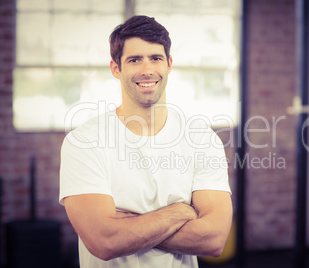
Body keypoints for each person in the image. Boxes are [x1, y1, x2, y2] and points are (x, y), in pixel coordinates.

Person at [59, 15, 233, 268]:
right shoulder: (83, 142)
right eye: (134, 60)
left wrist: (126, 224)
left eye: (155, 58)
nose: (147, 69)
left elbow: (214, 239)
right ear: (116, 68)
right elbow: (104, 242)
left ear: (169, 64)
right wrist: (181, 212)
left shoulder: (202, 139)